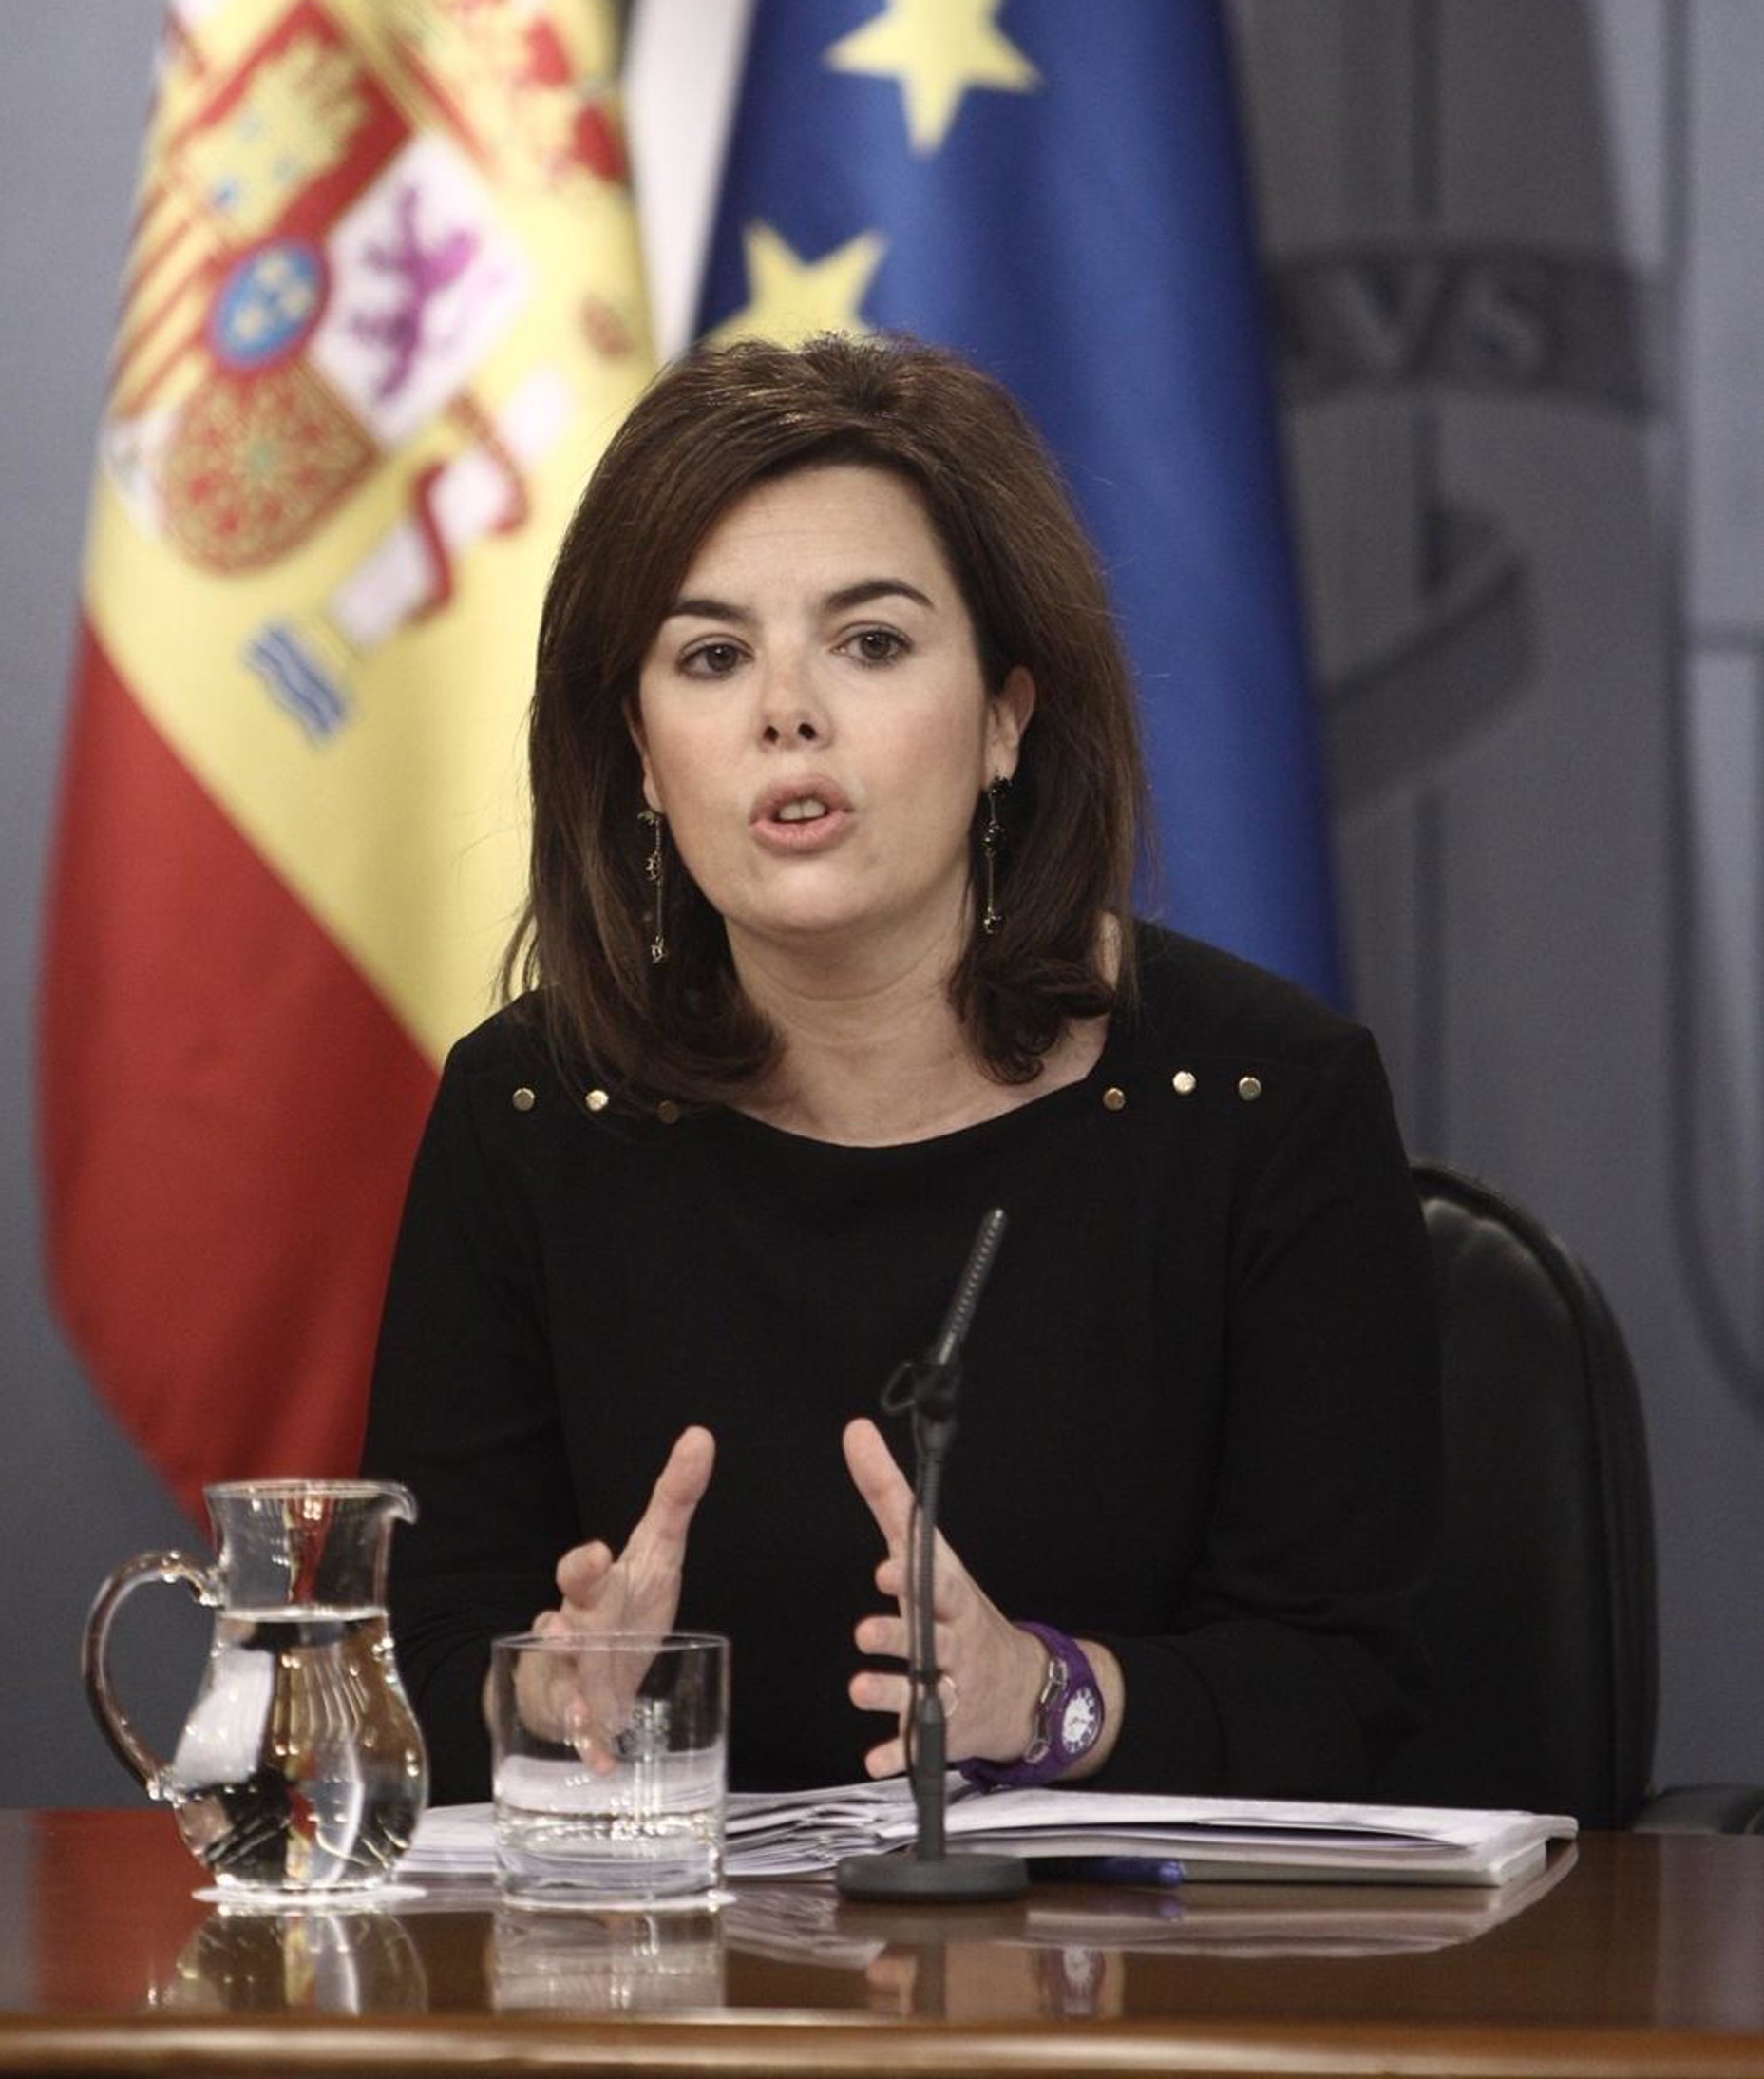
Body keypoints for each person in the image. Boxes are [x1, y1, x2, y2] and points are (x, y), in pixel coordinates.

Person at [363, 334, 1440, 1807]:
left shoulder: (1260, 1103)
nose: (786, 712)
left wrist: (1048, 1699)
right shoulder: (537, 1113)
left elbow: (1358, 1688)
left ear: (1007, 715)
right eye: (712, 656)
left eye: (869, 644)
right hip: (667, 1950)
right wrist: (546, 1694)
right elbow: (412, 1662)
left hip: (1128, 1949)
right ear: (640, 751)